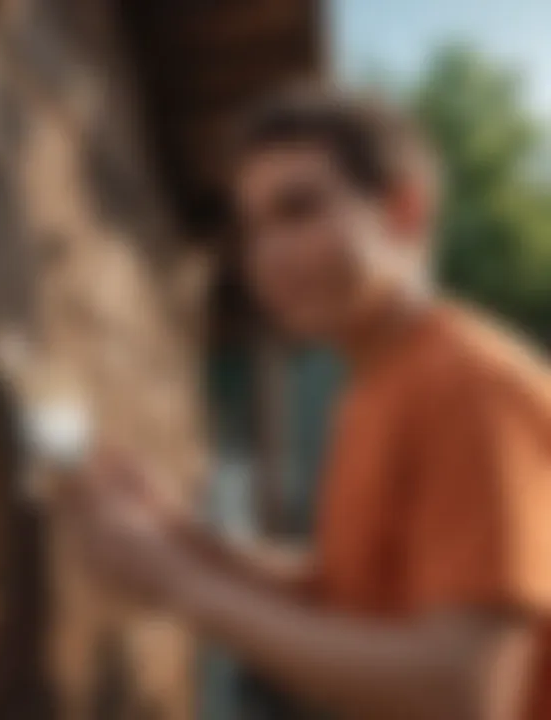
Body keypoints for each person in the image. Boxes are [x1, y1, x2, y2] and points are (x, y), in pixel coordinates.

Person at [62, 88, 551, 720]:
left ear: (403, 212)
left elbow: (465, 692)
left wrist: (183, 587)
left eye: (298, 210)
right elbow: (347, 596)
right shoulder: (375, 384)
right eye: (254, 227)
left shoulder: (468, 385)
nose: (267, 256)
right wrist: (182, 539)